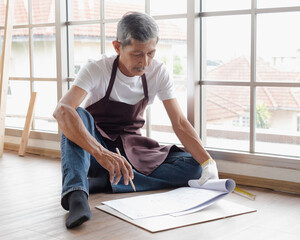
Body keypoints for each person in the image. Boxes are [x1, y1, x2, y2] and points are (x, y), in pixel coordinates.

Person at [53, 11, 219, 229]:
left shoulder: (158, 72)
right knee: (75, 116)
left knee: (193, 167)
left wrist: (208, 163)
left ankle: (105, 181)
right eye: (137, 54)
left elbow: (179, 122)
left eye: (151, 53)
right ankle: (76, 196)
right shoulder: (97, 68)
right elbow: (62, 111)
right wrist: (101, 153)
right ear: (117, 47)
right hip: (95, 148)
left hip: (131, 148)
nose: (145, 62)